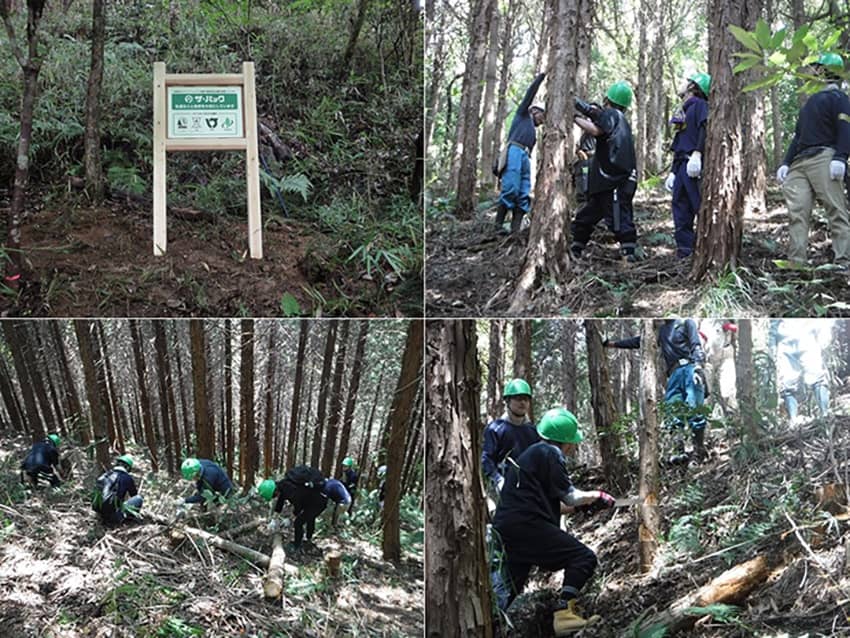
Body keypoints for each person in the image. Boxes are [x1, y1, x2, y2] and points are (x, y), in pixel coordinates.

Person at [492, 407, 614, 634]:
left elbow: (553, 504)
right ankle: (564, 615)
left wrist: (582, 509)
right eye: (573, 442)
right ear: (565, 440)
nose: (573, 447)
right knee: (583, 557)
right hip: (527, 525)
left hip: (509, 528)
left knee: (508, 593)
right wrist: (596, 496)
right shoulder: (551, 453)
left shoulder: (532, 454)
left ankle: (492, 628)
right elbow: (571, 496)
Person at [776, 53, 850, 267]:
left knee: (836, 210)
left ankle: (843, 261)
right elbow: (798, 136)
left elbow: (846, 128)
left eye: (816, 68)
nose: (811, 72)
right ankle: (797, 262)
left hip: (824, 157)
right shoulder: (809, 102)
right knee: (797, 212)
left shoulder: (839, 98)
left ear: (826, 71)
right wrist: (786, 162)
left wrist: (841, 157)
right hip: (800, 162)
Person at [605, 318, 708, 460]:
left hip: (690, 369)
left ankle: (699, 451)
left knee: (694, 409)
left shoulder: (686, 322)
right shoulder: (662, 331)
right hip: (673, 374)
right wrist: (612, 344)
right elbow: (639, 341)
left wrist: (698, 367)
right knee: (672, 412)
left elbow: (696, 344)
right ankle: (679, 453)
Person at [570, 81, 639, 262]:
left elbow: (595, 129)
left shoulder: (612, 115)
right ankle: (576, 249)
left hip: (613, 182)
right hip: (608, 182)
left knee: (619, 219)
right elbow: (594, 116)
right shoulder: (619, 119)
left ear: (608, 100)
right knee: (586, 217)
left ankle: (629, 255)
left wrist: (574, 117)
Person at [665, 72, 710, 259]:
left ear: (693, 86)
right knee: (680, 206)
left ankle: (704, 249)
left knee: (698, 204)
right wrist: (673, 172)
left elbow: (704, 128)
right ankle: (685, 250)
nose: (683, 84)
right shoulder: (684, 109)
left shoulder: (700, 105)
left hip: (694, 164)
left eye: (687, 82)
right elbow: (679, 141)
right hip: (682, 164)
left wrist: (698, 154)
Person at [495, 72, 546, 234]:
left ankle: (514, 231)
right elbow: (529, 93)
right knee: (511, 187)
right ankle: (497, 227)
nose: (542, 119)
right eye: (541, 115)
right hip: (515, 152)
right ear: (534, 111)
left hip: (526, 157)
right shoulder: (522, 115)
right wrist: (541, 77)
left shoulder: (533, 130)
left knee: (524, 192)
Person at [258, 466, 349, 553]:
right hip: (312, 499)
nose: (275, 497)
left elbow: (299, 505)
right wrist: (275, 517)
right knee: (310, 518)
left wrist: (290, 518)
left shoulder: (290, 489)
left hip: (318, 501)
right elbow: (281, 500)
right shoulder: (283, 484)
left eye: (273, 495)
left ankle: (297, 545)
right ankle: (308, 539)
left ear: (274, 491)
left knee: (298, 522)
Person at [481, 378, 539, 503]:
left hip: (529, 492)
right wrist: (498, 480)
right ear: (507, 401)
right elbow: (487, 460)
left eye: (526, 399)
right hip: (501, 492)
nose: (523, 402)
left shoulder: (533, 431)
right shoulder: (495, 429)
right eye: (518, 398)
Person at [776, 319, 830, 422]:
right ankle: (793, 421)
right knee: (787, 383)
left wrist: (824, 334)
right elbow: (774, 325)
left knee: (817, 377)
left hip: (807, 336)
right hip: (784, 341)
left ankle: (825, 415)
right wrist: (771, 346)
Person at [92, 455, 143, 526]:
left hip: (100, 515)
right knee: (138, 499)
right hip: (115, 517)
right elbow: (134, 495)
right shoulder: (127, 478)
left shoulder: (105, 475)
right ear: (128, 467)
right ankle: (128, 521)